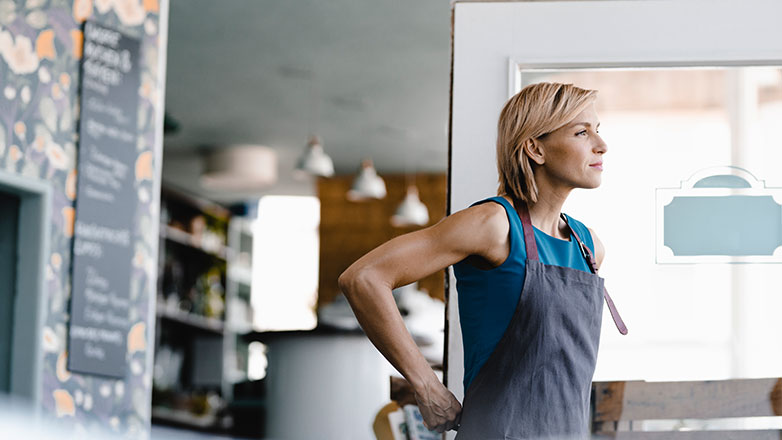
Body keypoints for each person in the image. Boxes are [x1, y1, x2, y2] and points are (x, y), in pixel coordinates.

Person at [338, 82, 627, 439]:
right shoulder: (493, 224)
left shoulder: (588, 245)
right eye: (582, 132)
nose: (601, 145)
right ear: (535, 148)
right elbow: (364, 278)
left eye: (597, 131)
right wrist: (426, 385)